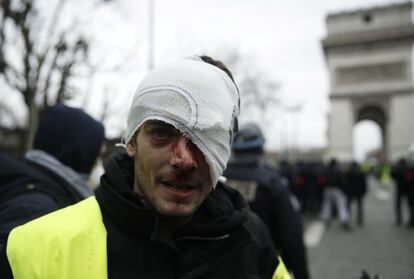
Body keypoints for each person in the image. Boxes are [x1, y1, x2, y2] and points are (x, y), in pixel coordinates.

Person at [0, 56, 290, 279]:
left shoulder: (252, 240)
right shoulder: (35, 249)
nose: (183, 160)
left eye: (206, 138)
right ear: (132, 141)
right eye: (162, 133)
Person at [0, 104, 105, 243]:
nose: (100, 166)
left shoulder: (31, 182)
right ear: (79, 154)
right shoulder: (38, 212)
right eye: (97, 157)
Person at [223, 123, 309, 279]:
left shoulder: (215, 180)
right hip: (262, 266)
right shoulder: (272, 183)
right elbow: (292, 236)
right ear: (261, 148)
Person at [321, 158, 351, 230]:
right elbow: (343, 181)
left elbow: (322, 180)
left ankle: (327, 220)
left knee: (327, 205)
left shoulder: (326, 170)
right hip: (337, 189)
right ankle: (344, 221)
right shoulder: (338, 170)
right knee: (341, 205)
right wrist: (345, 191)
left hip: (327, 189)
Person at [391, 157, 414, 227]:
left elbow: (392, 175)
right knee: (411, 205)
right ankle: (412, 220)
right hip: (410, 189)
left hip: (400, 188)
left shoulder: (397, 167)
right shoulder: (410, 167)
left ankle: (399, 219)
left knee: (398, 204)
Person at [344, 161, 367, 226]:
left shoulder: (348, 173)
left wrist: (345, 191)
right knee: (359, 206)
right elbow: (364, 183)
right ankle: (360, 219)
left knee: (348, 206)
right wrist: (364, 191)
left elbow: (345, 183)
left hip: (350, 192)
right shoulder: (361, 172)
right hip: (359, 192)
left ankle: (348, 218)